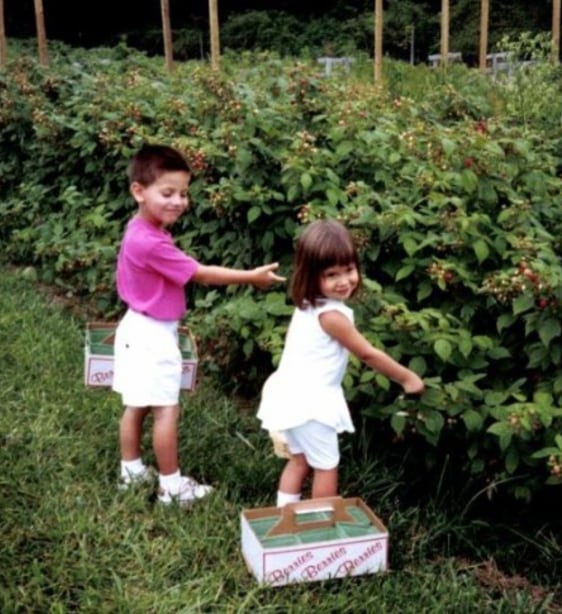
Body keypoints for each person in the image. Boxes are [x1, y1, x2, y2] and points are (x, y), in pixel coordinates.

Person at [113, 143, 285, 505]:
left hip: (135, 328)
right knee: (165, 410)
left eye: (184, 193)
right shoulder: (152, 243)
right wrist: (251, 276)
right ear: (138, 192)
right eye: (168, 193)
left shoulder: (141, 229)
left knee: (136, 404)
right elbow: (201, 274)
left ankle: (130, 471)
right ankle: (172, 487)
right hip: (152, 337)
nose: (178, 201)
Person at [257, 219, 425, 507]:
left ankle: (285, 515)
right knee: (326, 464)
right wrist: (408, 378)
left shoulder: (308, 304)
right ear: (311, 277)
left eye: (349, 270)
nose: (344, 281)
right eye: (331, 274)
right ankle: (321, 523)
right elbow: (368, 354)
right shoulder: (332, 316)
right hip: (311, 404)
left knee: (299, 461)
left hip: (289, 394)